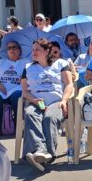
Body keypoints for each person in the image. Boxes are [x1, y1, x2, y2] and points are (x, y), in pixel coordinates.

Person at [21, 38, 75, 172]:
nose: (34, 52)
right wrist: (34, 100)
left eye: (37, 50)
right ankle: (41, 151)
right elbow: (25, 91)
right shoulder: (28, 68)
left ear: (46, 51)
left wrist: (64, 100)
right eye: (33, 50)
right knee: (30, 113)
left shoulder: (61, 64)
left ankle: (44, 154)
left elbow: (69, 84)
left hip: (56, 100)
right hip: (36, 100)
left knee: (50, 118)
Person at [0, 41, 28, 135]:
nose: (11, 50)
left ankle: (17, 125)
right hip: (1, 88)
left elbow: (32, 75)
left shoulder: (26, 62)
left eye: (14, 47)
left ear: (19, 50)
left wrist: (24, 78)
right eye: (9, 48)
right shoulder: (0, 62)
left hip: (17, 88)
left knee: (17, 97)